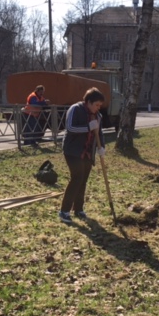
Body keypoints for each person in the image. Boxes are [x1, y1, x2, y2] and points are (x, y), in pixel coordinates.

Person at [58, 87, 106, 223]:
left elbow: (99, 133)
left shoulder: (98, 116)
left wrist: (101, 147)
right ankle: (64, 211)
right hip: (73, 151)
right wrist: (88, 127)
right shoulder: (75, 109)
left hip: (88, 153)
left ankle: (78, 209)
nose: (98, 108)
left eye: (100, 105)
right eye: (96, 105)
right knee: (77, 178)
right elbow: (70, 128)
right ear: (89, 102)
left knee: (83, 180)